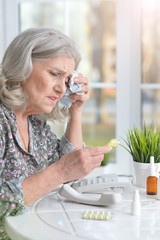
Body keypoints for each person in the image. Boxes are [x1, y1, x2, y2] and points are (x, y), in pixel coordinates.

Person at [0, 28, 111, 239]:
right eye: (54, 74)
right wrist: (60, 171)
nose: (61, 89)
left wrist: (76, 109)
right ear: (22, 66)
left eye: (67, 80)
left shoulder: (35, 124)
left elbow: (71, 172)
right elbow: (62, 171)